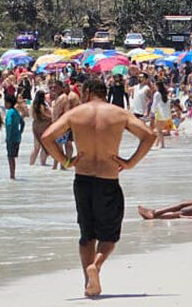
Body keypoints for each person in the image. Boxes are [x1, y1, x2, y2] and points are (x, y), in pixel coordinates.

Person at [40, 78, 157, 298]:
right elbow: (149, 135)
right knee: (109, 236)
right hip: (108, 178)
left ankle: (88, 282)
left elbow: (47, 137)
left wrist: (66, 161)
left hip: (82, 178)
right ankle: (97, 265)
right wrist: (130, 162)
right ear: (105, 92)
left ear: (86, 92)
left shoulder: (76, 114)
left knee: (87, 235)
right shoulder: (119, 113)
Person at [5, 96, 25, 180]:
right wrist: (20, 132)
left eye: (6, 102)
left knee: (10, 157)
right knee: (12, 157)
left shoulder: (10, 112)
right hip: (17, 137)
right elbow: (22, 123)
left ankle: (12, 175)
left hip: (12, 138)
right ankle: (12, 175)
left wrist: (8, 137)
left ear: (9, 103)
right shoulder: (16, 112)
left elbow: (9, 124)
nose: (5, 104)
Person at [30, 90, 51, 166]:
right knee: (44, 146)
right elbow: (44, 115)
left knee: (36, 147)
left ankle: (31, 164)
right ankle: (43, 163)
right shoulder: (42, 105)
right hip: (43, 126)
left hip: (35, 125)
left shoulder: (33, 105)